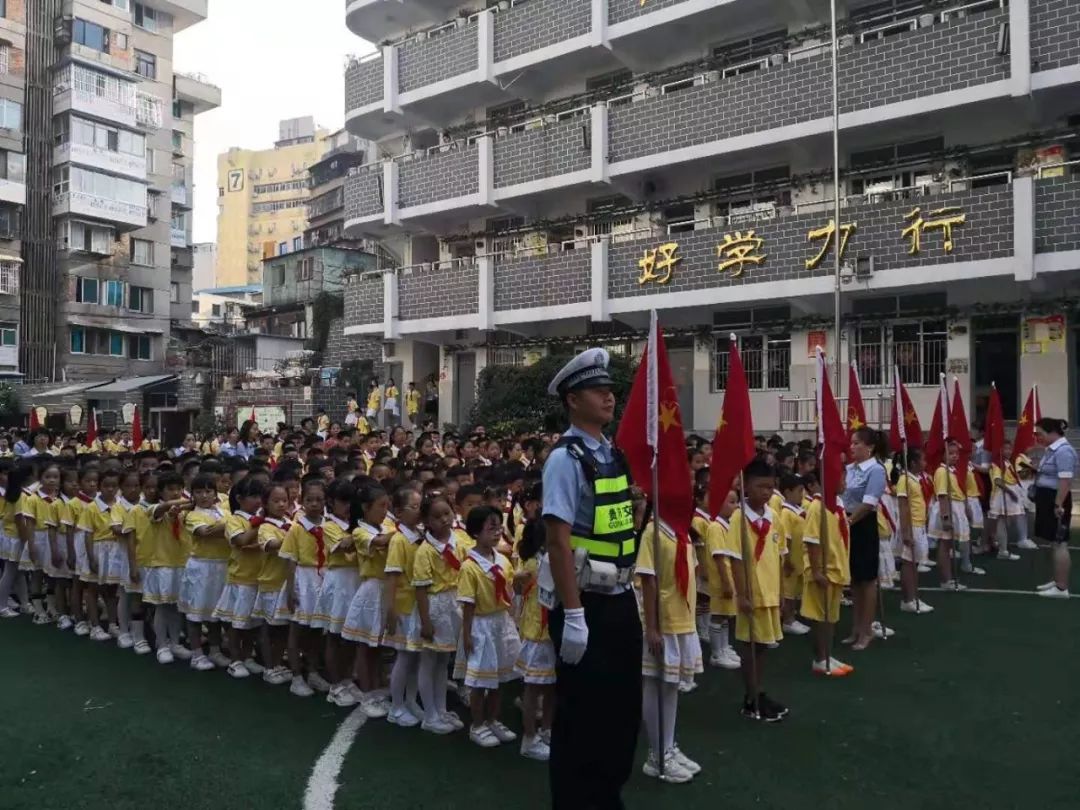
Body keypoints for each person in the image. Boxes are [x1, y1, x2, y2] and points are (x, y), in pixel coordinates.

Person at [542, 348, 642, 807]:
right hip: (587, 603)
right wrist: (575, 615)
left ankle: (607, 796)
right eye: (598, 390)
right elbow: (559, 541)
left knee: (621, 711)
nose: (609, 397)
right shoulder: (566, 458)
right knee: (583, 715)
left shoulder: (611, 452)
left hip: (620, 596)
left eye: (610, 390)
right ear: (572, 399)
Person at [637, 511, 703, 783]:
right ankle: (656, 755)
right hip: (663, 621)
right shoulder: (653, 532)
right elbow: (648, 581)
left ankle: (668, 746)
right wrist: (652, 627)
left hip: (682, 619)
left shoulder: (682, 531)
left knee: (672, 686)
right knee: (656, 683)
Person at [455, 505, 521, 748]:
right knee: (479, 680)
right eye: (491, 528)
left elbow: (509, 592)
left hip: (500, 622)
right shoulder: (470, 566)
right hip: (480, 625)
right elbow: (468, 604)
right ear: (475, 532)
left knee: (498, 676)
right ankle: (478, 724)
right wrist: (468, 634)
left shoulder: (502, 560)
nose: (497, 533)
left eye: (499, 527)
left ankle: (493, 719)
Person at [729, 458, 787, 722]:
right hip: (752, 594)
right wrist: (742, 594)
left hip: (771, 592)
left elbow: (780, 555)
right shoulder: (739, 517)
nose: (765, 492)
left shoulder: (773, 516)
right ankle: (751, 697)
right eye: (760, 486)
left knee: (763, 646)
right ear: (745, 486)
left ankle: (757, 691)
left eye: (770, 487)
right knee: (750, 645)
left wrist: (782, 592)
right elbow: (736, 559)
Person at [802, 477, 854, 676]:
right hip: (823, 570)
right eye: (841, 479)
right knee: (820, 618)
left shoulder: (836, 505)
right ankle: (819, 659)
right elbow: (812, 541)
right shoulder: (817, 507)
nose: (845, 484)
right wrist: (816, 571)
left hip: (836, 569)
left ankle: (828, 655)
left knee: (831, 617)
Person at [842, 427, 888, 650]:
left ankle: (867, 630)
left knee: (868, 579)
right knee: (854, 579)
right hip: (847, 522)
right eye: (851, 443)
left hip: (864, 524)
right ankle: (856, 628)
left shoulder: (876, 470)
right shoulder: (849, 469)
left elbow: (869, 502)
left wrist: (849, 522)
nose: (852, 447)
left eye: (856, 443)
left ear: (869, 447)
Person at [1033, 418, 1076, 599]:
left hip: (1056, 499)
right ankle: (1057, 579)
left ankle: (1061, 587)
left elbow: (1065, 481)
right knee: (1053, 541)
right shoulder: (1052, 450)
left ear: (1052, 433)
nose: (1037, 437)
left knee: (1060, 543)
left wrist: (1058, 504)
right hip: (1047, 498)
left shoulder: (1064, 451)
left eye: (1040, 434)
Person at [894, 449, 933, 614]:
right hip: (911, 526)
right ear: (912, 463)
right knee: (909, 564)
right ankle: (908, 600)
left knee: (914, 563)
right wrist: (906, 532)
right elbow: (903, 507)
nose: (925, 463)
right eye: (922, 460)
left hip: (918, 524)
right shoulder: (904, 479)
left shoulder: (914, 479)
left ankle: (912, 597)